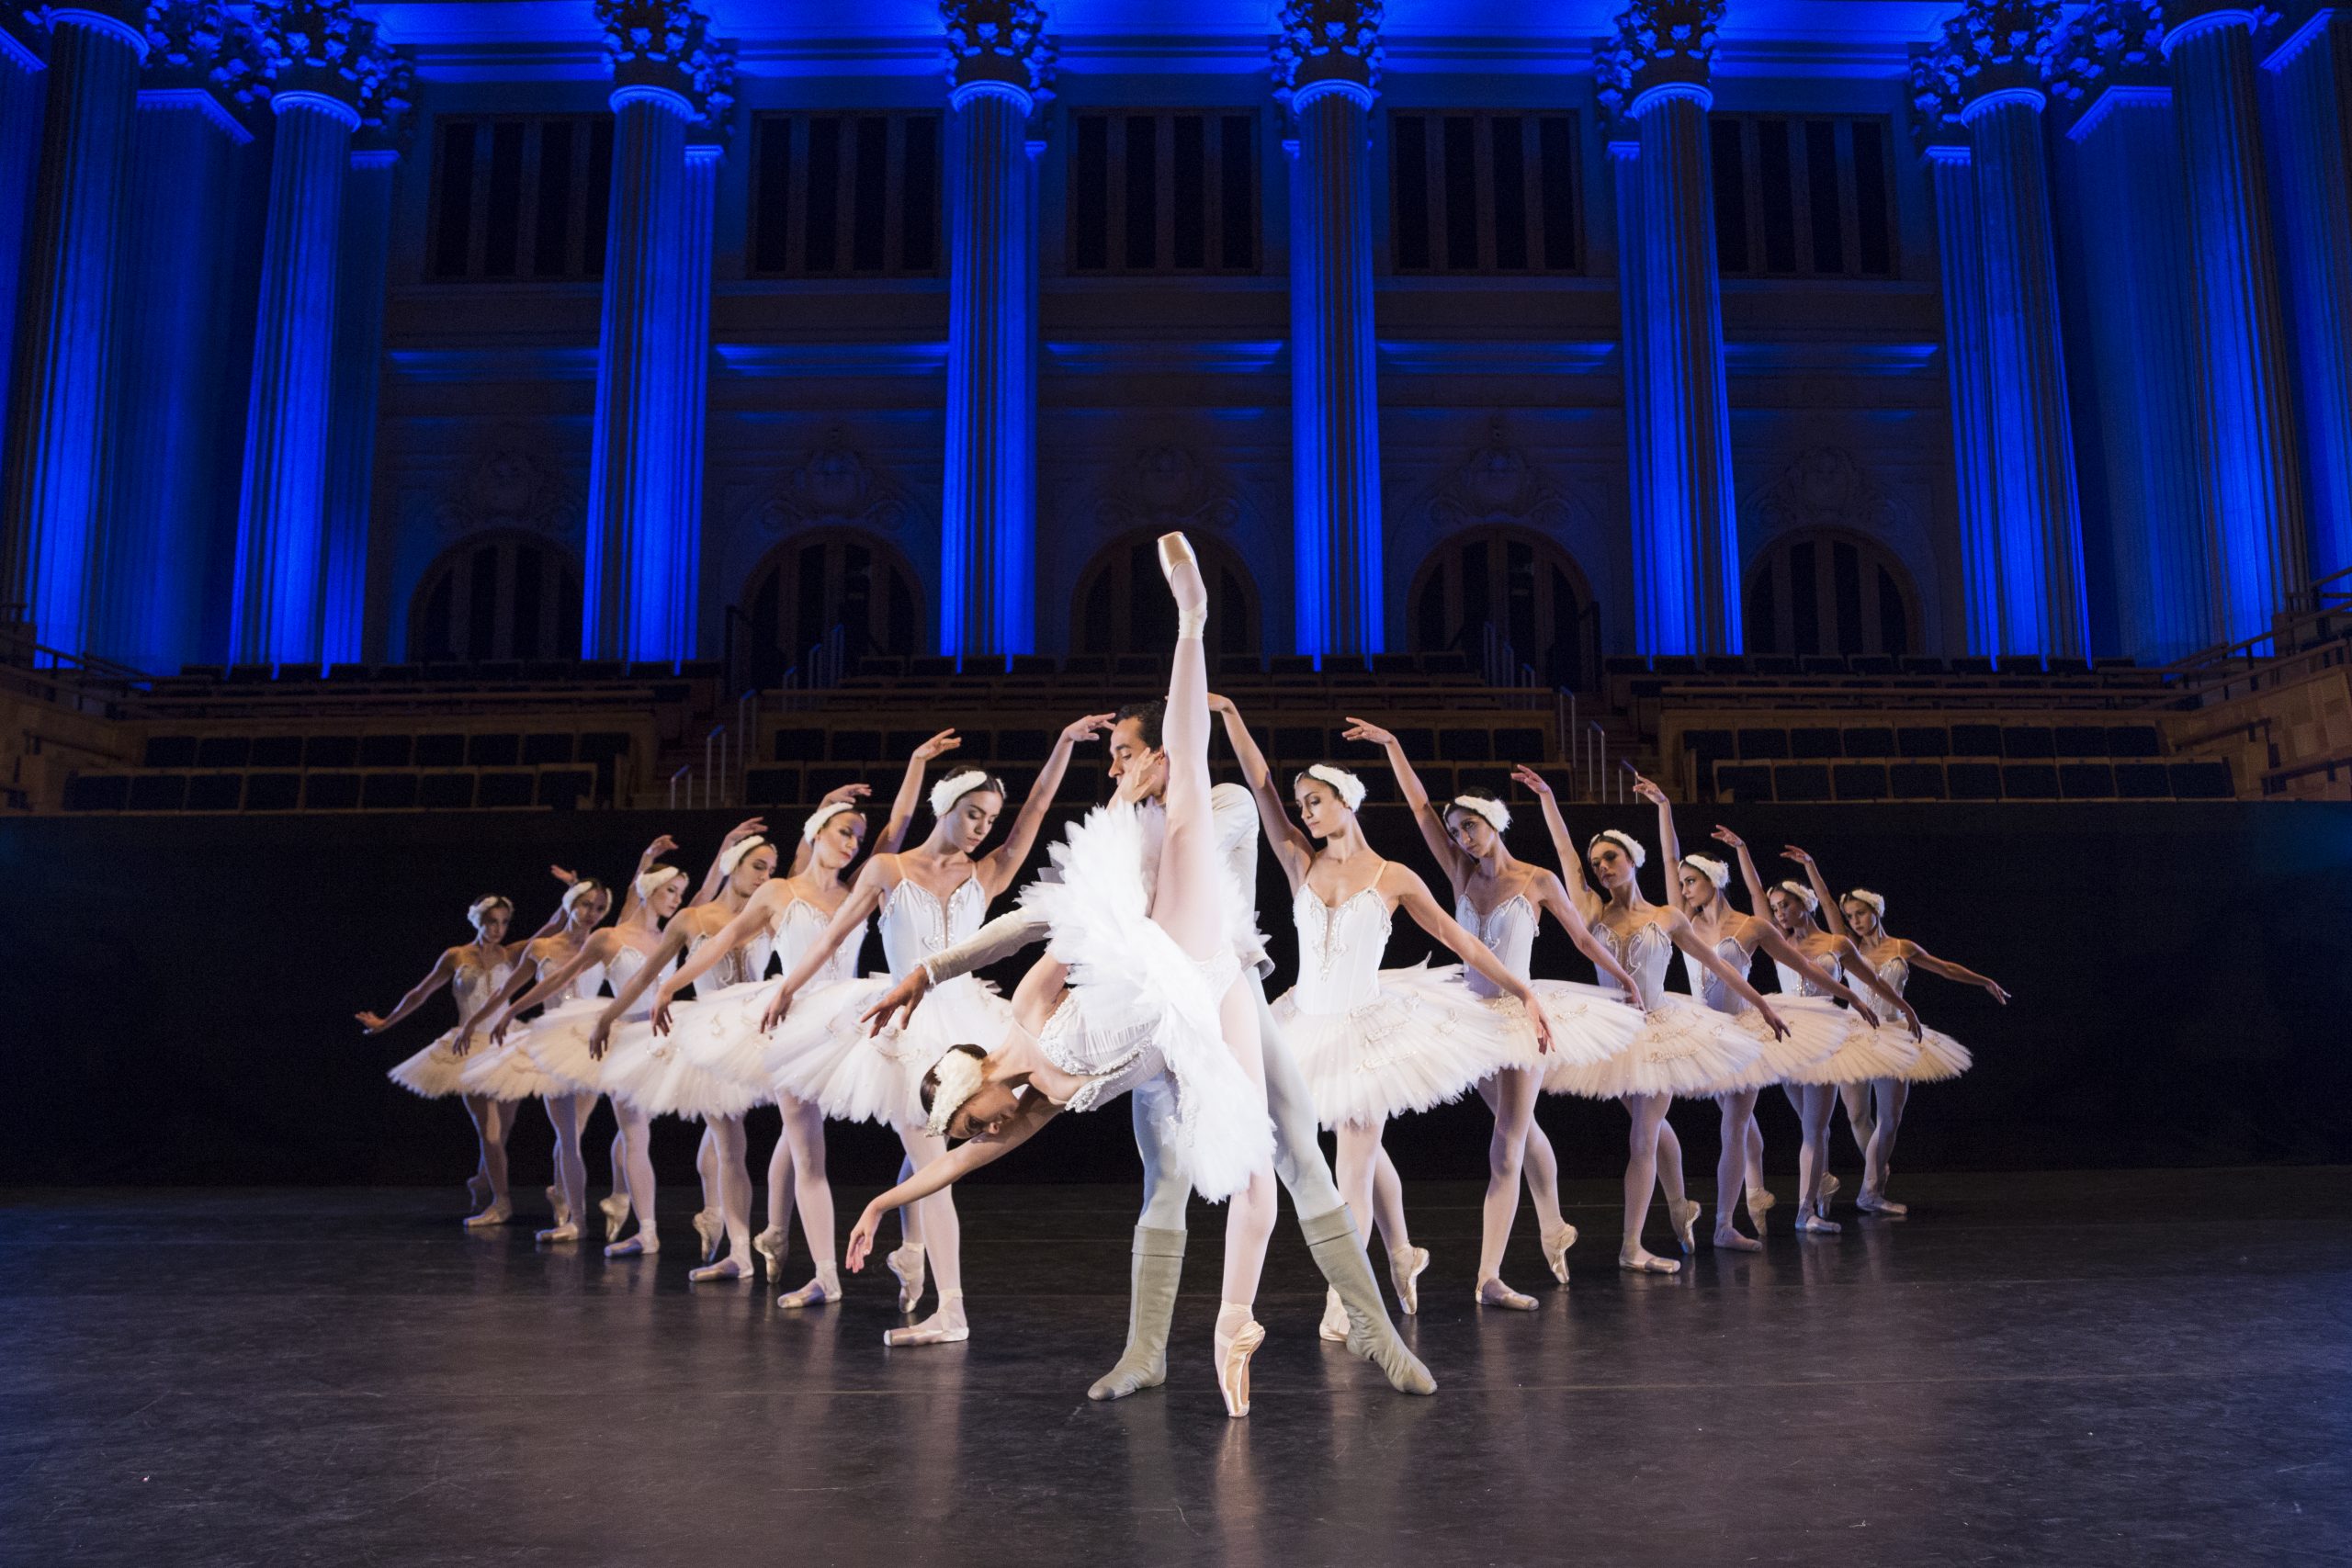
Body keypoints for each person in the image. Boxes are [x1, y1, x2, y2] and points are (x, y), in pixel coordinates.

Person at [860, 709, 1437, 1405]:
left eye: (1123, 753)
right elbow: (1042, 922)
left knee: (1299, 1157)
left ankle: (1374, 1328)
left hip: (1225, 993)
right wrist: (926, 974)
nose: (1114, 767)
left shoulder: (1216, 807)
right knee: (1162, 1180)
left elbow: (1149, 879)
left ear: (1161, 754)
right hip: (1157, 1032)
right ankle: (1144, 1351)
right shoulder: (1033, 1091)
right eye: (1111, 760)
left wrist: (1125, 819)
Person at [847, 533, 1290, 1416]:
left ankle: (1192, 621)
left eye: (975, 1120)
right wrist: (880, 1201)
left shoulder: (1021, 1022)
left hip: (1169, 953)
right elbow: (949, 1169)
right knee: (1250, 1159)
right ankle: (1233, 1324)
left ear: (973, 1082)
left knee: (1197, 789)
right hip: (1190, 1025)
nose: (986, 1132)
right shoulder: (1034, 1109)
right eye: (980, 1131)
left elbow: (1038, 931)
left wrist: (928, 973)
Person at [634, 715, 1104, 1345]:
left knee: (933, 1152)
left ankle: (946, 1298)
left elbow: (1035, 815)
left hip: (963, 1019)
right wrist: (790, 989)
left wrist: (1063, 745)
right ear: (946, 807)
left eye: (990, 818)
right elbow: (831, 935)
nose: (984, 827)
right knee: (923, 1151)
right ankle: (936, 1293)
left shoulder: (986, 872)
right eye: (974, 814)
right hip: (901, 1018)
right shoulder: (886, 870)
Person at [1212, 704, 1566, 1329]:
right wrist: (1235, 715)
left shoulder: (1393, 875)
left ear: (1347, 802)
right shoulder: (1298, 858)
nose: (1304, 811)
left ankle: (1344, 1297)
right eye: (1302, 803)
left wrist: (1525, 992)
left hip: (1365, 1030)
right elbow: (1261, 783)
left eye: (1316, 800)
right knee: (1352, 1156)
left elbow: (1466, 942)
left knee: (1352, 1163)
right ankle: (1403, 1249)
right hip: (1304, 1024)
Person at [1346, 721, 1647, 1307]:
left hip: (1519, 1017)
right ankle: (1554, 1223)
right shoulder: (1459, 873)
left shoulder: (1536, 879)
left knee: (1506, 1144)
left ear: (1495, 824)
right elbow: (1420, 813)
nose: (1462, 839)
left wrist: (1625, 977)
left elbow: (1584, 939)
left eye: (1472, 828)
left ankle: (1489, 1277)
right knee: (1520, 1129)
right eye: (1458, 831)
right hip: (1469, 1019)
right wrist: (1393, 747)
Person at [1518, 779, 1797, 1272]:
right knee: (1649, 1126)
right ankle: (1677, 1205)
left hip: (1658, 1030)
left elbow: (1720, 963)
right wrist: (1547, 798)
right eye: (1597, 861)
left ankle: (1632, 1246)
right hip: (1612, 1031)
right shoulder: (1589, 909)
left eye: (1611, 858)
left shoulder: (1669, 916)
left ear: (1633, 860)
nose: (1602, 867)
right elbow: (1564, 852)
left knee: (1643, 1136)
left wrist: (1763, 1005)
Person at [1639, 792, 1899, 1249]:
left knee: (1735, 1128)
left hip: (1741, 1032)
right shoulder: (1683, 921)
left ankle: (1724, 1224)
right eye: (1680, 883)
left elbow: (1809, 969)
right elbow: (1667, 856)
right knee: (1733, 1127)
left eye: (1690, 882)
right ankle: (1755, 1191)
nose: (1682, 890)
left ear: (1713, 881)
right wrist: (1664, 808)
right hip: (1700, 1028)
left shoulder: (1753, 927)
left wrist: (1851, 998)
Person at [1716, 838, 1922, 1234]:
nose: (1777, 913)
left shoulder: (1836, 943)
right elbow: (1756, 896)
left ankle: (1805, 1210)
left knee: (1817, 1128)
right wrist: (1743, 849)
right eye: (1775, 909)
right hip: (1789, 1034)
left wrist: (1906, 1007)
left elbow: (1872, 978)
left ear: (1804, 904)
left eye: (1785, 906)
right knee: (1811, 1125)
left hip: (1826, 1033)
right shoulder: (1775, 941)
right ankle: (1819, 1183)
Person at [1790, 850, 2003, 1215]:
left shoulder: (1901, 947)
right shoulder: (1845, 945)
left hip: (1892, 1034)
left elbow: (1945, 968)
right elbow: (1825, 902)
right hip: (1853, 1034)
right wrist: (1810, 866)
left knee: (1890, 1117)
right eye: (1850, 916)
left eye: (1860, 913)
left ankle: (1870, 1191)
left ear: (1876, 911)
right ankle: (1876, 1173)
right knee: (1857, 1115)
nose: (1854, 921)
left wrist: (1983, 981)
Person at [368, 891, 548, 1225]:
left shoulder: (514, 953)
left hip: (508, 1044)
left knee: (503, 1131)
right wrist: (386, 1021)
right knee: (490, 1133)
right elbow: (420, 993)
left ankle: (482, 1179)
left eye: (504, 923)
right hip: (469, 1046)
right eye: (491, 922)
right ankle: (501, 1202)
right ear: (477, 920)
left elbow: (555, 926)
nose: (498, 929)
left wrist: (575, 888)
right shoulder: (455, 956)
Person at [452, 878, 614, 1241]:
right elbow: (506, 991)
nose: (593, 914)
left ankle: (562, 1194)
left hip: (590, 1041)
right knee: (566, 1134)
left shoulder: (603, 943)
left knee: (578, 1131)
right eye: (586, 904)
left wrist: (646, 864)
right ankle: (575, 1217)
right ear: (570, 904)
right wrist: (475, 1023)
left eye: (600, 908)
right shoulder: (541, 947)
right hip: (553, 1041)